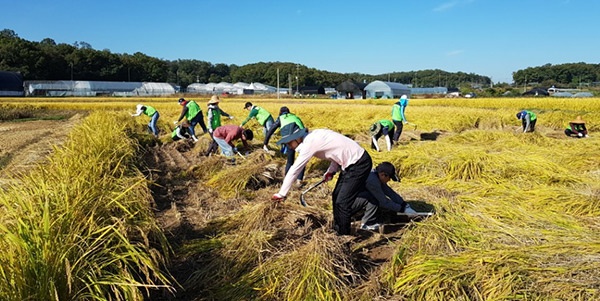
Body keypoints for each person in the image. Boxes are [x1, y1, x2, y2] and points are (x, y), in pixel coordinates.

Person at [271, 123, 373, 236]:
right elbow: (336, 152)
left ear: (297, 137)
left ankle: (344, 237)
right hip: (349, 163)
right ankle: (337, 229)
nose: (289, 146)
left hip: (359, 163)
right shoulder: (314, 136)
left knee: (343, 202)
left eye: (290, 142)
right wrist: (331, 171)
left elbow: (295, 169)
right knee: (336, 197)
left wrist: (281, 193)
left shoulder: (310, 143)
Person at [356, 162, 418, 231]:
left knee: (373, 198)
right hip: (349, 203)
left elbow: (389, 191)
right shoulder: (372, 180)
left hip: (355, 199)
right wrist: (402, 209)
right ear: (383, 175)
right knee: (374, 199)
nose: (389, 180)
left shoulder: (376, 175)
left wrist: (404, 204)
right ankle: (367, 223)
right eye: (389, 178)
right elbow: (383, 202)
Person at [264, 106, 306, 185]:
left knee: (290, 160)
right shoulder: (295, 117)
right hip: (298, 139)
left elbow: (271, 130)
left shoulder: (280, 118)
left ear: (280, 112)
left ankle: (287, 180)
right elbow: (302, 128)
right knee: (302, 159)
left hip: (289, 140)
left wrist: (265, 143)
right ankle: (299, 181)